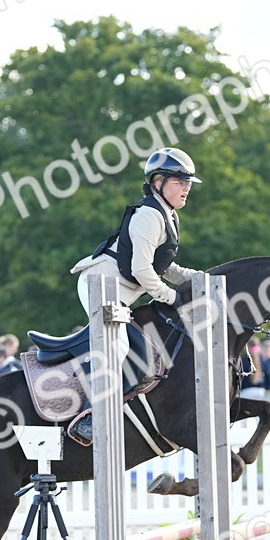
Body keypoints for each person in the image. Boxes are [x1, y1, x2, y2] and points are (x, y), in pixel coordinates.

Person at [67, 147, 202, 444]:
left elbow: (166, 268)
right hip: (100, 286)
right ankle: (87, 417)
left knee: (143, 351)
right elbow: (142, 270)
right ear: (158, 183)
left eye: (187, 183)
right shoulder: (149, 216)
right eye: (179, 182)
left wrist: (204, 278)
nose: (186, 188)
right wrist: (171, 297)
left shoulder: (167, 216)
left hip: (119, 294)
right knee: (123, 350)